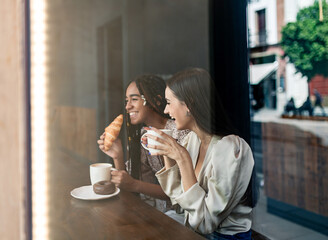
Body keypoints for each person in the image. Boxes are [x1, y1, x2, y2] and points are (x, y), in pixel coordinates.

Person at [143, 68, 257, 239]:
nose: (166, 111)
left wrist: (182, 158)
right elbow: (179, 203)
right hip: (194, 231)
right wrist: (166, 151)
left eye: (169, 102)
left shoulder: (231, 148)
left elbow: (205, 223)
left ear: (188, 104)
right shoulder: (192, 140)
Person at [97, 74, 189, 213]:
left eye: (134, 99)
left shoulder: (180, 132)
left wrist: (134, 185)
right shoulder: (144, 136)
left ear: (157, 101)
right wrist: (117, 156)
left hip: (184, 216)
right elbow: (132, 184)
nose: (128, 106)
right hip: (158, 213)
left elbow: (181, 191)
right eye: (126, 100)